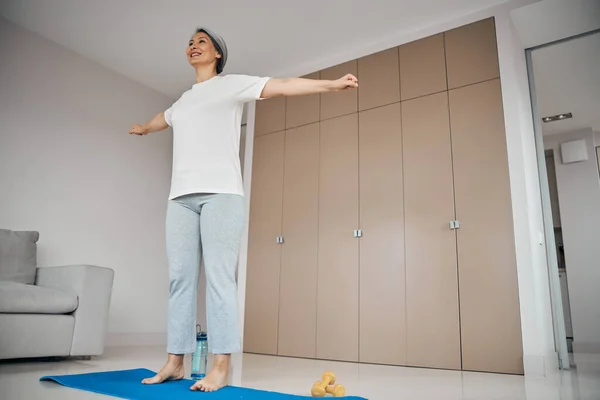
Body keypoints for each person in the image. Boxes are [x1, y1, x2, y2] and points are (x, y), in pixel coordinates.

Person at [128, 27, 358, 393]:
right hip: (181, 199)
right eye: (190, 42)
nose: (193, 46)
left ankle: (220, 367)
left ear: (217, 53)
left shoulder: (231, 84)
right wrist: (145, 129)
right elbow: (163, 118)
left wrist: (330, 85)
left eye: (201, 41)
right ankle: (174, 362)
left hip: (222, 195)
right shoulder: (183, 101)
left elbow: (281, 85)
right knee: (179, 279)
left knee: (220, 279)